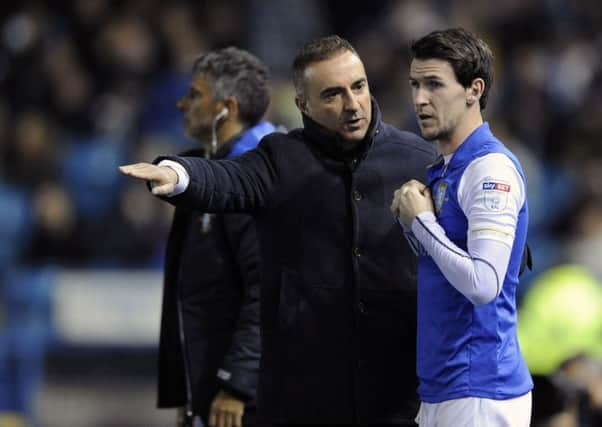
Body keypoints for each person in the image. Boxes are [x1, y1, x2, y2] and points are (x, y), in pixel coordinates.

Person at [120, 35, 437, 425]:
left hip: (398, 397)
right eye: (333, 95)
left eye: (359, 87)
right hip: (304, 398)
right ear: (303, 104)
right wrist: (178, 173)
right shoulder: (281, 158)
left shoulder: (419, 158)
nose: (353, 105)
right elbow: (228, 178)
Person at [390, 28, 533, 426]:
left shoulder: (490, 169)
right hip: (445, 388)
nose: (419, 98)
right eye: (415, 84)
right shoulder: (448, 169)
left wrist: (420, 222)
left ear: (474, 89)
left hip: (481, 391)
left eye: (434, 84)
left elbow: (484, 284)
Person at [155, 47, 276, 427]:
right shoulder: (216, 170)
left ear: (228, 107)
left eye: (194, 95)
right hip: (220, 390)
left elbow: (269, 289)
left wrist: (237, 384)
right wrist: (193, 393)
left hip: (249, 399)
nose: (182, 103)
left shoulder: (253, 177)